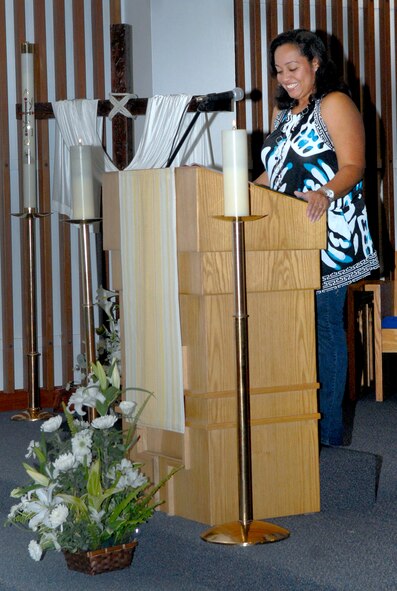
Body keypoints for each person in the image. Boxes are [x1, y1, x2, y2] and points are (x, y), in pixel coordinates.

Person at [256, 29, 379, 447]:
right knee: (294, 329)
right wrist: (235, 191)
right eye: (278, 70)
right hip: (287, 238)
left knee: (325, 328)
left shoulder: (335, 103)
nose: (284, 77)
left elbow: (354, 166)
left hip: (331, 236)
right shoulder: (284, 116)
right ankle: (298, 425)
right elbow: (272, 175)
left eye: (292, 67)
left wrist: (324, 193)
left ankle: (328, 434)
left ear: (316, 64)